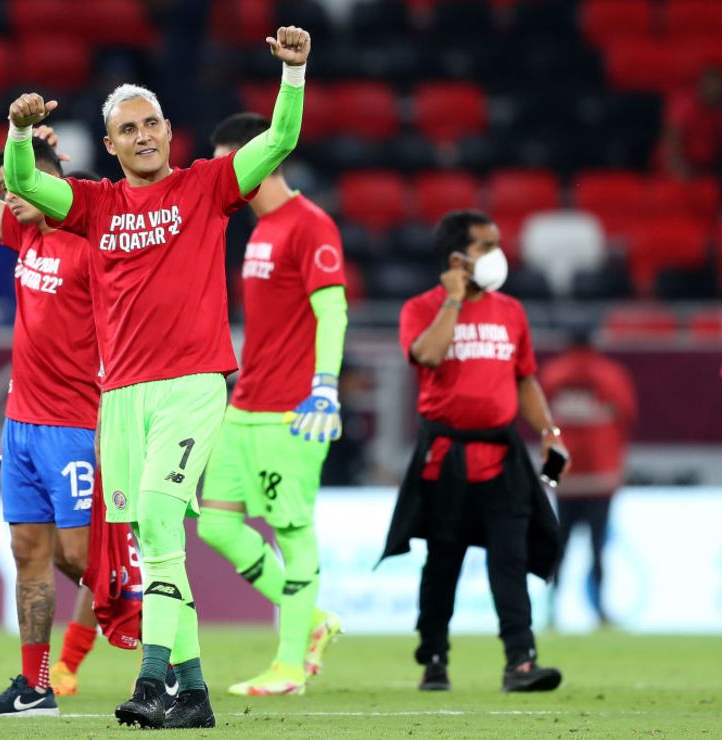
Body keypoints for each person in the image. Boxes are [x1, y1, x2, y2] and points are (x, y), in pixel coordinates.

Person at [2, 25, 313, 729]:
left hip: (192, 386)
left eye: (151, 124)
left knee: (160, 519)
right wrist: (19, 134)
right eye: (127, 129)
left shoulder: (208, 186)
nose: (142, 136)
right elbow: (20, 184)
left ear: (170, 131)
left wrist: (293, 74)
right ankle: (194, 695)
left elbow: (281, 142)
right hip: (121, 399)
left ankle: (150, 684)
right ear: (109, 146)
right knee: (156, 541)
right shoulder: (94, 205)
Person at [379, 210, 566, 693]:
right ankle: (434, 658)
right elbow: (427, 355)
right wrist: (454, 302)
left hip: (502, 457)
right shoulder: (422, 308)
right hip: (447, 457)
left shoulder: (512, 312)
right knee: (444, 561)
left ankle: (521, 662)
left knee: (510, 558)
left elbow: (523, 377)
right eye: (487, 246)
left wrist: (548, 431)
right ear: (457, 257)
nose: (498, 254)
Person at [197, 111, 345, 697]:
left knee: (292, 528)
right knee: (215, 524)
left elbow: (332, 308)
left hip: (292, 409)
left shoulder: (310, 224)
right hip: (246, 403)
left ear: (257, 159)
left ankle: (289, 666)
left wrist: (325, 387)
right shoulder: (260, 230)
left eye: (228, 165)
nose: (222, 178)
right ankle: (313, 621)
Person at [0, 129, 101, 717]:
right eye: (9, 187)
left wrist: (38, 174)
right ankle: (36, 685)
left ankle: (157, 630)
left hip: (73, 421)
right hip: (22, 424)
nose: (8, 198)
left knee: (78, 557)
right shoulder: (27, 233)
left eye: (20, 188)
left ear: (50, 187)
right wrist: (17, 146)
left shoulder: (91, 246)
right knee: (28, 553)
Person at [540, 321, 637, 626]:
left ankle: (552, 609)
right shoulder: (610, 374)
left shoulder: (552, 374)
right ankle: (599, 610)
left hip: (565, 475)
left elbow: (539, 420)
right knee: (598, 548)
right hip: (599, 475)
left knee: (560, 546)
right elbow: (627, 417)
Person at [659, 65, 722, 178]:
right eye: (711, 86)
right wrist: (683, 172)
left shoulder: (718, 110)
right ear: (700, 86)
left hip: (710, 168)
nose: (714, 90)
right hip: (682, 168)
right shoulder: (684, 105)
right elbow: (671, 146)